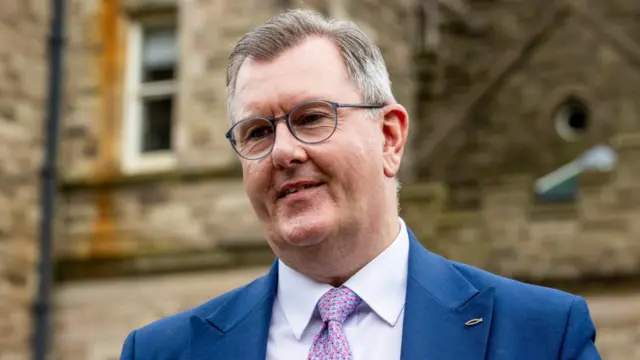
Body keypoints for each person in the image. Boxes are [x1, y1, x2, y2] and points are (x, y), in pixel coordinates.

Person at [119, 9, 601, 360]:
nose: (284, 152)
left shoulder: (541, 336)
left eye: (311, 119)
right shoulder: (163, 352)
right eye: (258, 132)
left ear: (389, 137)